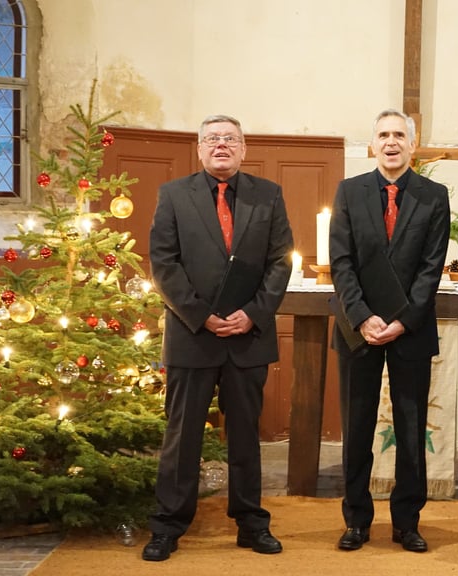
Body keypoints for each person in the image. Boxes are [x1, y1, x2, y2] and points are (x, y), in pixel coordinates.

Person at [144, 115, 294, 561]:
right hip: (193, 335)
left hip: (248, 336)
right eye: (212, 139)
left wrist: (252, 314)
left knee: (246, 436)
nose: (221, 145)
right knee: (182, 435)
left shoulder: (268, 195)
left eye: (230, 139)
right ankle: (168, 527)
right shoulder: (173, 195)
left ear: (244, 148)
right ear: (199, 149)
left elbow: (280, 261)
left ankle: (250, 524)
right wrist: (202, 316)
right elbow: (163, 263)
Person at [329, 109, 450, 554]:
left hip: (411, 330)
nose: (392, 141)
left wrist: (402, 320)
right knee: (357, 427)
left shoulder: (433, 196)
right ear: (373, 145)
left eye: (400, 135)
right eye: (384, 135)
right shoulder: (349, 191)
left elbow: (430, 268)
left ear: (412, 145)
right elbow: (341, 262)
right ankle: (357, 520)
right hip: (356, 327)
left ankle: (407, 522)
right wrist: (362, 317)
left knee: (411, 426)